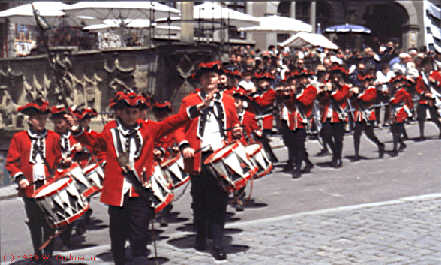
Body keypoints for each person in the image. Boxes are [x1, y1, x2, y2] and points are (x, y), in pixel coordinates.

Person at [68, 91, 207, 265]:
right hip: (116, 191)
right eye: (127, 112)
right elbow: (95, 142)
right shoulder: (110, 129)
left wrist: (193, 111)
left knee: (140, 232)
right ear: (119, 112)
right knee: (117, 233)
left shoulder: (148, 128)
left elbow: (171, 123)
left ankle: (139, 257)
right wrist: (77, 131)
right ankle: (120, 259)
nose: (131, 116)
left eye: (135, 112)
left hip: (139, 189)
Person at [176, 61, 241, 261]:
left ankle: (219, 244)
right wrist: (184, 145)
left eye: (212, 76)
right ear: (200, 81)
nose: (209, 80)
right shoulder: (189, 100)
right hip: (198, 156)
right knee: (200, 199)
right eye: (204, 77)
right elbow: (179, 126)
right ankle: (201, 234)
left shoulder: (228, 100)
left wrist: (237, 131)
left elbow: (234, 125)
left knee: (220, 201)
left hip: (220, 155)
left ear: (218, 79)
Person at [6, 98, 61, 264]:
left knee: (51, 223)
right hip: (29, 188)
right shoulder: (19, 138)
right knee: (35, 222)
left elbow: (58, 160)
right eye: (38, 118)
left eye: (44, 118)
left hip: (49, 186)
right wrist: (20, 177)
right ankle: (38, 253)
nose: (42, 122)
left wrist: (63, 165)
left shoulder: (53, 137)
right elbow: (11, 162)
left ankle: (48, 255)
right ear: (30, 119)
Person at [317, 66, 350, 168]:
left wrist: (333, 91)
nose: (335, 77)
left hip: (339, 116)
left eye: (338, 75)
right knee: (326, 135)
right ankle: (335, 154)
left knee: (339, 139)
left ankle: (337, 157)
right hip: (327, 115)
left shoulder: (345, 88)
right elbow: (321, 100)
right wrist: (324, 92)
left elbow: (339, 98)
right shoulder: (328, 86)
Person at [349, 75, 385, 161]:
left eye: (365, 81)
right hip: (360, 115)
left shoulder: (372, 90)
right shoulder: (362, 91)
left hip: (368, 115)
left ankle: (380, 145)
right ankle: (356, 154)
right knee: (356, 134)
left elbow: (367, 99)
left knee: (370, 134)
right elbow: (353, 103)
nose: (363, 83)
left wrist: (358, 95)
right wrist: (353, 96)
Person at [415, 56, 441, 140]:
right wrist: (424, 93)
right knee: (421, 117)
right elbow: (418, 88)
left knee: (435, 117)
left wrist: (434, 82)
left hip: (434, 98)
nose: (428, 66)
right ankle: (421, 134)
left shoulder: (436, 74)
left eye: (429, 65)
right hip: (424, 98)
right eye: (426, 65)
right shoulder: (421, 76)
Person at [389, 75, 414, 156]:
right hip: (394, 111)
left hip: (401, 111)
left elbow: (397, 101)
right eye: (395, 83)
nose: (396, 85)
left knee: (397, 130)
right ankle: (401, 143)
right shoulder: (393, 92)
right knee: (393, 130)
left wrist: (410, 111)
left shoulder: (402, 91)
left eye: (398, 83)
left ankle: (395, 149)